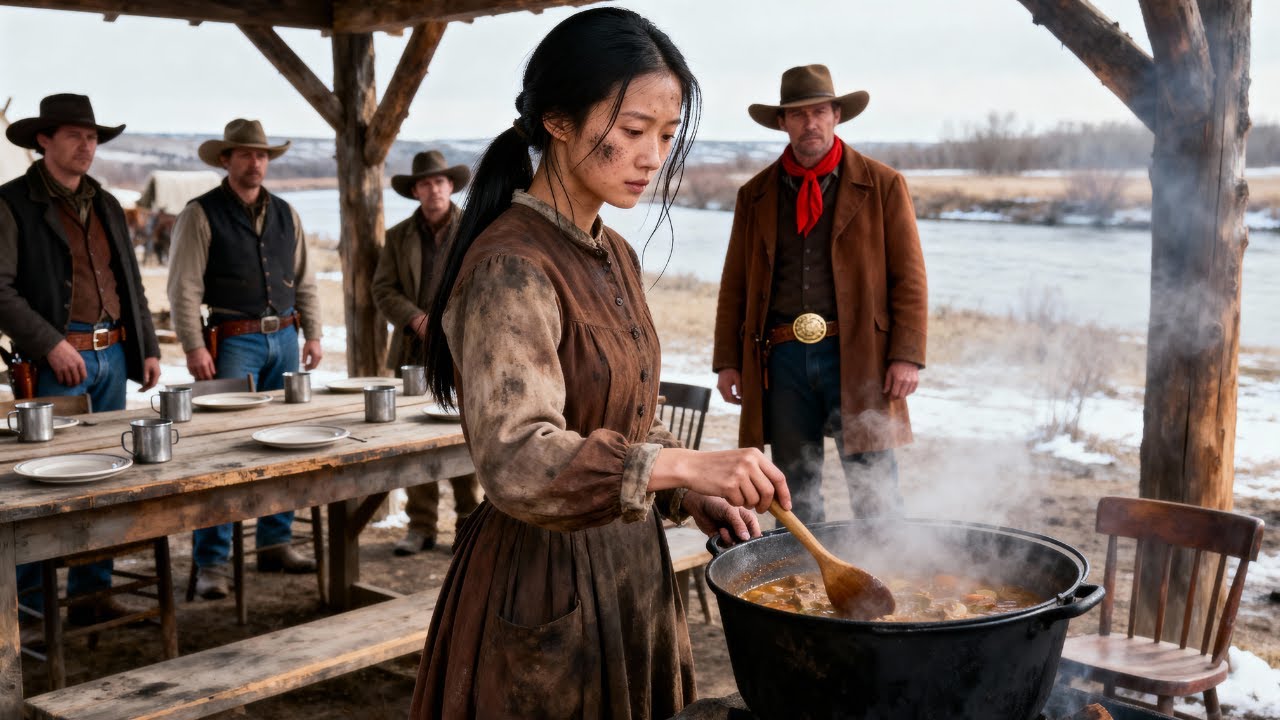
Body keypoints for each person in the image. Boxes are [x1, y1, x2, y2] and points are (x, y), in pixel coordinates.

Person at [411, 8, 790, 719]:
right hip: (542, 582)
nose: (653, 157)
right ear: (558, 120)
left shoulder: (613, 253)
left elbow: (626, 420)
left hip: (630, 575)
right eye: (634, 131)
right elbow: (518, 458)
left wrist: (693, 493)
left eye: (668, 136)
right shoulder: (509, 266)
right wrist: (678, 469)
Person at [713, 64, 928, 524]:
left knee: (876, 488)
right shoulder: (755, 195)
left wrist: (907, 354)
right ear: (782, 123)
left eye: (819, 112)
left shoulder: (884, 184)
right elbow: (735, 282)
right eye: (798, 114)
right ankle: (799, 588)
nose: (809, 123)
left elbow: (909, 277)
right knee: (793, 490)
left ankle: (886, 582)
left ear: (836, 116)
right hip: (782, 361)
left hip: (861, 356)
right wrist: (728, 360)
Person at [0, 93, 162, 624]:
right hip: (55, 362)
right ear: (43, 140)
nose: (86, 146)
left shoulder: (108, 203)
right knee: (43, 485)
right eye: (74, 135)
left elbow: (129, 283)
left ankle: (91, 596)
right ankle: (28, 605)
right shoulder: (12, 202)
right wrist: (50, 343)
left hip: (113, 354)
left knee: (110, 479)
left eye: (92, 137)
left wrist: (149, 348)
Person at [167, 118, 323, 599]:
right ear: (226, 160)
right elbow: (183, 287)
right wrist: (193, 344)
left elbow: (306, 279)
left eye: (262, 155)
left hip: (285, 338)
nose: (256, 162)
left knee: (288, 441)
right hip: (233, 341)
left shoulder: (286, 213)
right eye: (245, 154)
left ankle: (275, 543)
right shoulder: (200, 213)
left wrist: (314, 334)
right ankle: (212, 563)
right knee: (221, 449)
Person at [372, 150, 483, 555]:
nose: (433, 189)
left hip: (462, 351)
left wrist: (451, 323)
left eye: (439, 182)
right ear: (415, 190)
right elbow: (383, 289)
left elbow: (484, 284)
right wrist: (416, 319)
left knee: (461, 436)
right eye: (425, 183)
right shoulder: (398, 236)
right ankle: (420, 526)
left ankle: (470, 526)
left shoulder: (474, 228)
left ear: (450, 186)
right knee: (415, 438)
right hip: (412, 352)